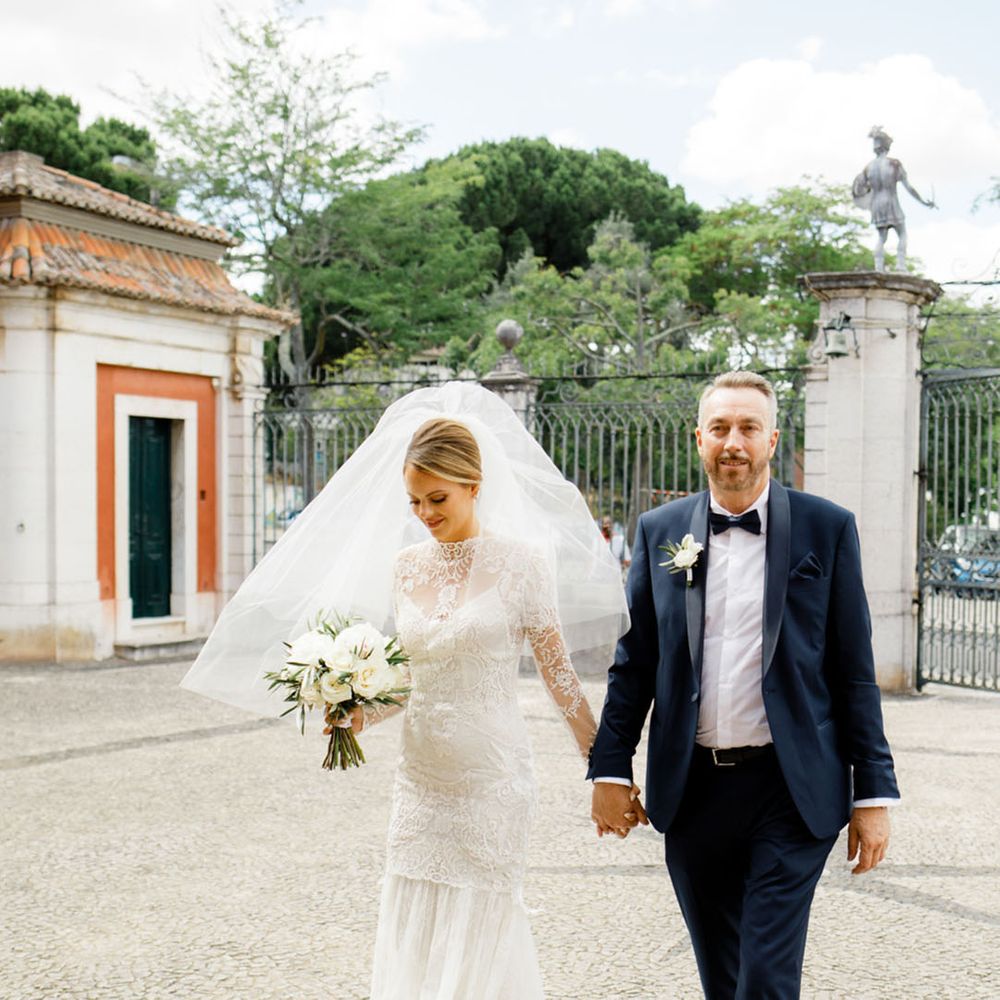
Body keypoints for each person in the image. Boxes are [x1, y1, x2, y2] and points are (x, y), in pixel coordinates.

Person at [180, 382, 629, 1000]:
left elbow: (560, 679)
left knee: (481, 927)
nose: (425, 513)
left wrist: (606, 768)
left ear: (474, 485)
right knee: (415, 922)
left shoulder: (523, 564)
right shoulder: (406, 567)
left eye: (437, 498)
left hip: (492, 780)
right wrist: (357, 712)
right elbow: (413, 676)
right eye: (415, 501)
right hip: (419, 782)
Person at [589, 371, 900, 1000]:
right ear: (699, 438)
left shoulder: (827, 528)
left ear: (772, 439)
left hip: (791, 787)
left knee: (764, 977)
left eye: (748, 428)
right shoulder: (658, 530)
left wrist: (873, 794)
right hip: (692, 789)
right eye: (721, 428)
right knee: (723, 976)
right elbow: (635, 663)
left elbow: (854, 670)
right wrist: (610, 769)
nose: (734, 442)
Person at [852, 125, 936, 272]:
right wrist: (923, 202)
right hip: (891, 201)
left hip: (876, 204)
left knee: (881, 237)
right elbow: (909, 188)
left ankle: (879, 267)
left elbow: (859, 187)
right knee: (902, 234)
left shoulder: (869, 167)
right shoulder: (894, 164)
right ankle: (900, 264)